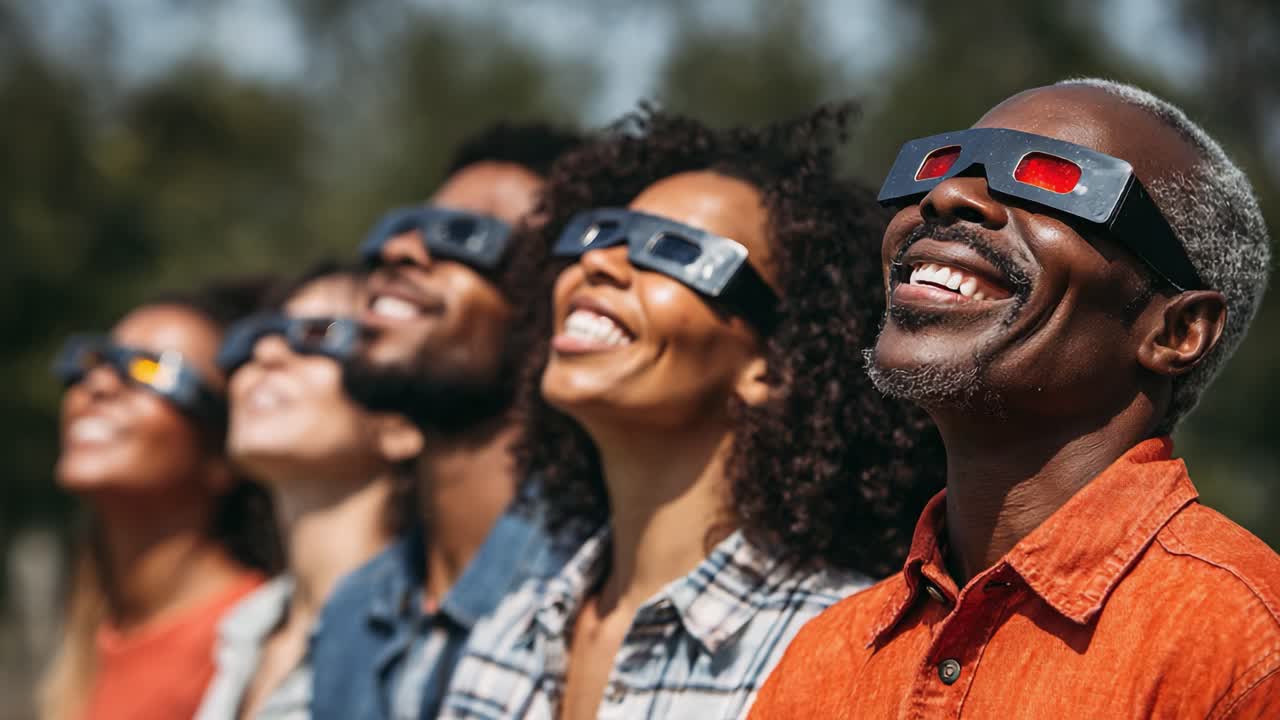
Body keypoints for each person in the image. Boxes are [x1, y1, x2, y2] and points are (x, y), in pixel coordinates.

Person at [749, 79, 1279, 718]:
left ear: (1176, 332)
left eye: (1049, 182)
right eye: (941, 166)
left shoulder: (1245, 649)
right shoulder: (824, 659)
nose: (947, 197)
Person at [437, 105, 944, 719]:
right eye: (600, 232)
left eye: (673, 250)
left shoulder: (838, 647)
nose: (598, 262)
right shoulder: (509, 630)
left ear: (776, 365)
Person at [308, 122, 583, 720]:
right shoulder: (352, 613)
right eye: (400, 227)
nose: (400, 250)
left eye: (464, 234)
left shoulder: (590, 599)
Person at [38, 280, 282, 720]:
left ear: (223, 456)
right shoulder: (96, 635)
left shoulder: (252, 645)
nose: (99, 384)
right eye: (95, 359)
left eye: (152, 371)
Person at [195, 262, 424, 719]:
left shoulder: (420, 636)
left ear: (399, 424)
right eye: (255, 335)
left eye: (318, 334)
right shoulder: (245, 629)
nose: (267, 352)